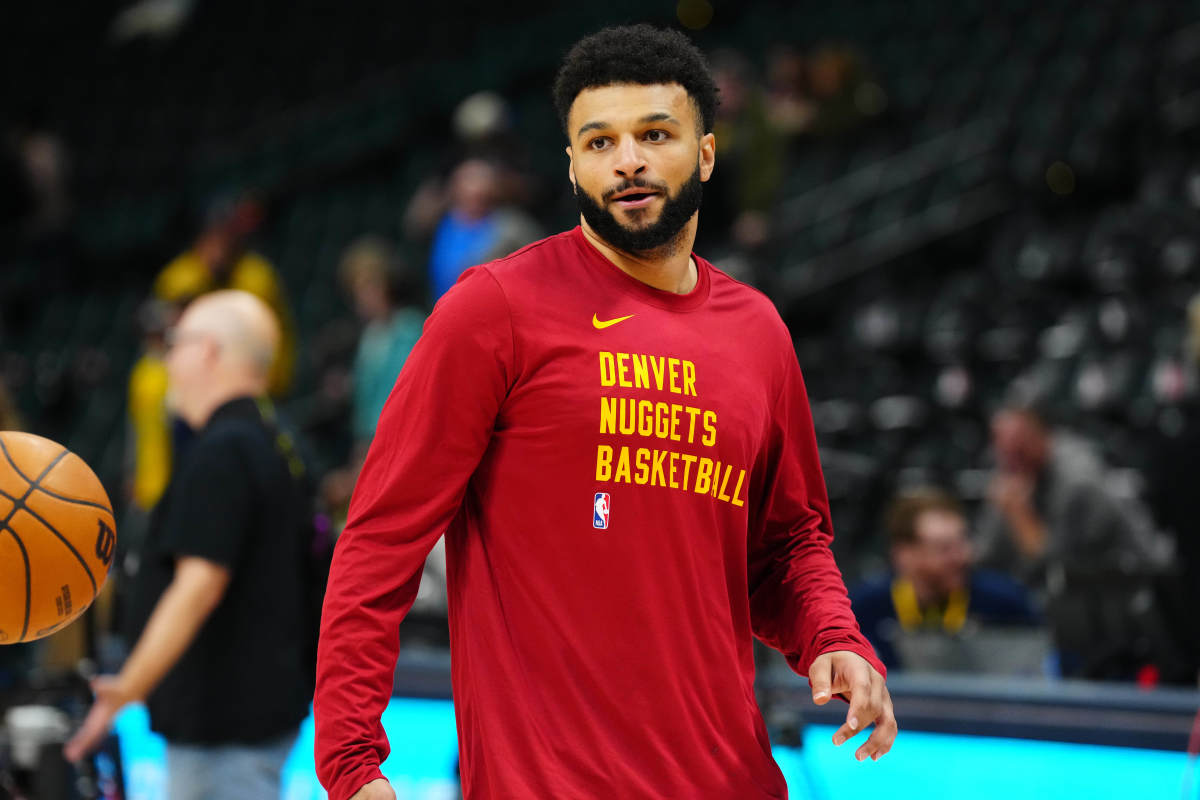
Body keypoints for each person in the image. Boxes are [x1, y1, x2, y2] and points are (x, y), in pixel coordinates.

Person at [315, 25, 895, 800]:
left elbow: (787, 545)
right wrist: (352, 762)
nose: (627, 160)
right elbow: (380, 540)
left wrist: (834, 637)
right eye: (600, 142)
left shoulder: (758, 332)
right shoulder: (494, 311)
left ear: (707, 153)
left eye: (655, 135)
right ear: (572, 164)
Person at [64, 291, 315, 800]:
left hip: (224, 732)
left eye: (175, 343)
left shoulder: (224, 452)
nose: (166, 360)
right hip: (254, 719)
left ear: (209, 351)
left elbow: (200, 584)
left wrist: (129, 685)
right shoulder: (277, 443)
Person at [851, 487, 1039, 670]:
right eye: (944, 548)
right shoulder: (862, 609)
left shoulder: (1005, 604)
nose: (961, 557)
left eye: (963, 542)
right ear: (904, 555)